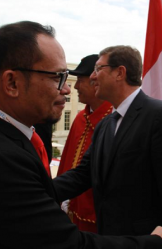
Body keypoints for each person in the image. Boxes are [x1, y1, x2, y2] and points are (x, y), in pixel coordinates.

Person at [0, 21, 162, 249]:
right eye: (57, 77)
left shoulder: (156, 116)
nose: (67, 89)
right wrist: (155, 244)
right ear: (12, 82)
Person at [53, 45, 162, 237]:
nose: (93, 77)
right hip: (110, 238)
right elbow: (83, 174)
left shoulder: (161, 116)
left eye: (98, 69)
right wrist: (38, 191)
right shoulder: (106, 124)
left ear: (120, 73)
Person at [57, 54, 113, 232]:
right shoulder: (81, 118)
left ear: (95, 82)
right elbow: (66, 162)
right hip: (72, 217)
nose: (75, 87)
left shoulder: (116, 120)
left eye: (79, 80)